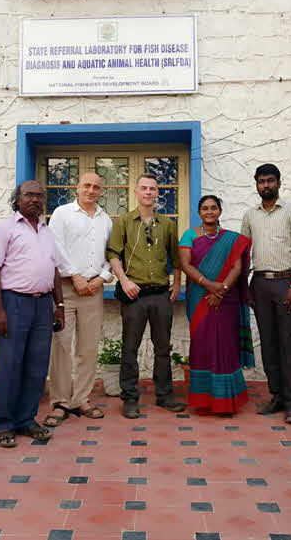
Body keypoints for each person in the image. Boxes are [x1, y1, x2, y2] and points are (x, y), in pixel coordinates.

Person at [0, 180, 66, 448]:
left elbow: (54, 270)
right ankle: (4, 424)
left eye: (39, 195)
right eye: (29, 194)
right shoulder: (6, 228)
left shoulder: (47, 230)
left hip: (43, 306)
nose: (34, 199)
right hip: (14, 303)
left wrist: (60, 306)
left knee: (36, 365)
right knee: (10, 365)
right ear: (17, 198)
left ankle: (27, 419)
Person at [106, 173, 186, 418]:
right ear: (136, 192)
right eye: (144, 188)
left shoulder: (168, 224)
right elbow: (113, 255)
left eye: (152, 188)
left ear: (157, 193)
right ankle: (129, 397)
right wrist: (124, 280)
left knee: (163, 347)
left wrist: (177, 283)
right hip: (134, 294)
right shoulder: (124, 222)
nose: (148, 192)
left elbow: (176, 258)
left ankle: (164, 395)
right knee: (130, 347)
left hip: (160, 294)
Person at [241, 164, 291, 424]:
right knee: (268, 343)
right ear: (256, 184)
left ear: (279, 183)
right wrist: (244, 286)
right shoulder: (250, 216)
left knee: (288, 343)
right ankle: (277, 395)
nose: (266, 185)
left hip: (285, 283)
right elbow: (244, 253)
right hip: (259, 283)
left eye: (270, 181)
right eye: (261, 181)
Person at [45, 172, 113, 427]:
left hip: (93, 289)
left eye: (96, 186)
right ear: (77, 187)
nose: (91, 190)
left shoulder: (106, 220)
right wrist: (74, 276)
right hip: (64, 289)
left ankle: (81, 399)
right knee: (61, 345)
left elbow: (112, 253)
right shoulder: (62, 213)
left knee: (88, 346)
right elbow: (54, 247)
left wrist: (101, 278)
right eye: (87, 185)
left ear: (101, 190)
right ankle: (60, 401)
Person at [178, 195, 254, 415]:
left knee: (225, 345)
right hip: (199, 298)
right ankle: (204, 400)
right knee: (203, 346)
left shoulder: (231, 239)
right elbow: (185, 265)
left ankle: (226, 400)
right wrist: (210, 285)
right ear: (199, 212)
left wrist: (220, 291)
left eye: (213, 208)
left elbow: (237, 268)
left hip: (225, 298)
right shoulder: (189, 235)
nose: (209, 212)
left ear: (220, 211)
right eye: (204, 208)